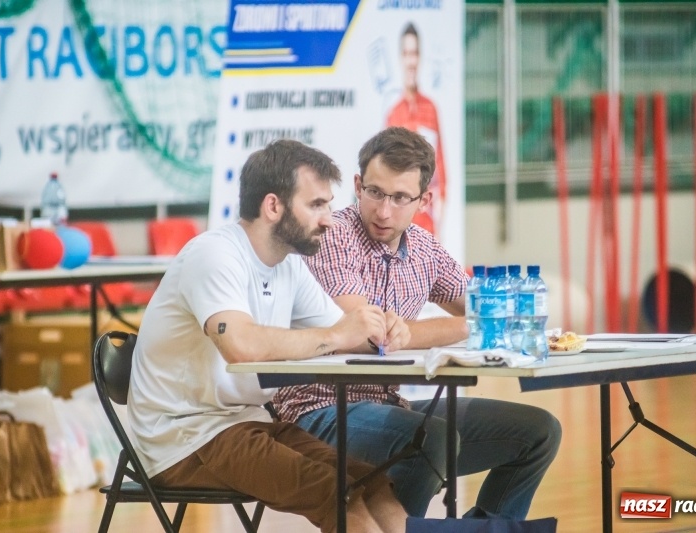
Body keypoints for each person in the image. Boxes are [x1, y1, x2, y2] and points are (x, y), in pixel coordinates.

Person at [273, 127, 562, 519]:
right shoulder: (332, 236)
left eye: (400, 198)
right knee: (431, 439)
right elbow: (373, 332)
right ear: (357, 186)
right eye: (375, 192)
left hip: (390, 406)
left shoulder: (425, 249)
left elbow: (499, 310)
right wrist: (467, 325)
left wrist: (467, 319)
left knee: (538, 432)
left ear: (423, 200)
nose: (384, 211)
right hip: (319, 409)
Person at [127, 140, 409, 533]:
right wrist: (337, 334)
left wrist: (386, 331)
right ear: (273, 206)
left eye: (328, 204)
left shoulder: (287, 266)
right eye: (316, 205)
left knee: (370, 480)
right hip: (182, 438)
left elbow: (350, 337)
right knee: (333, 491)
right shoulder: (214, 255)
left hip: (246, 423)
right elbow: (241, 346)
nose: (329, 218)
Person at [386, 22, 445, 238]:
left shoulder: (431, 109)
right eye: (407, 53)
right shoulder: (394, 114)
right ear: (401, 58)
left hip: (428, 221)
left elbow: (441, 166)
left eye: (415, 53)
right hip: (401, 223)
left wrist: (440, 216)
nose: (411, 60)